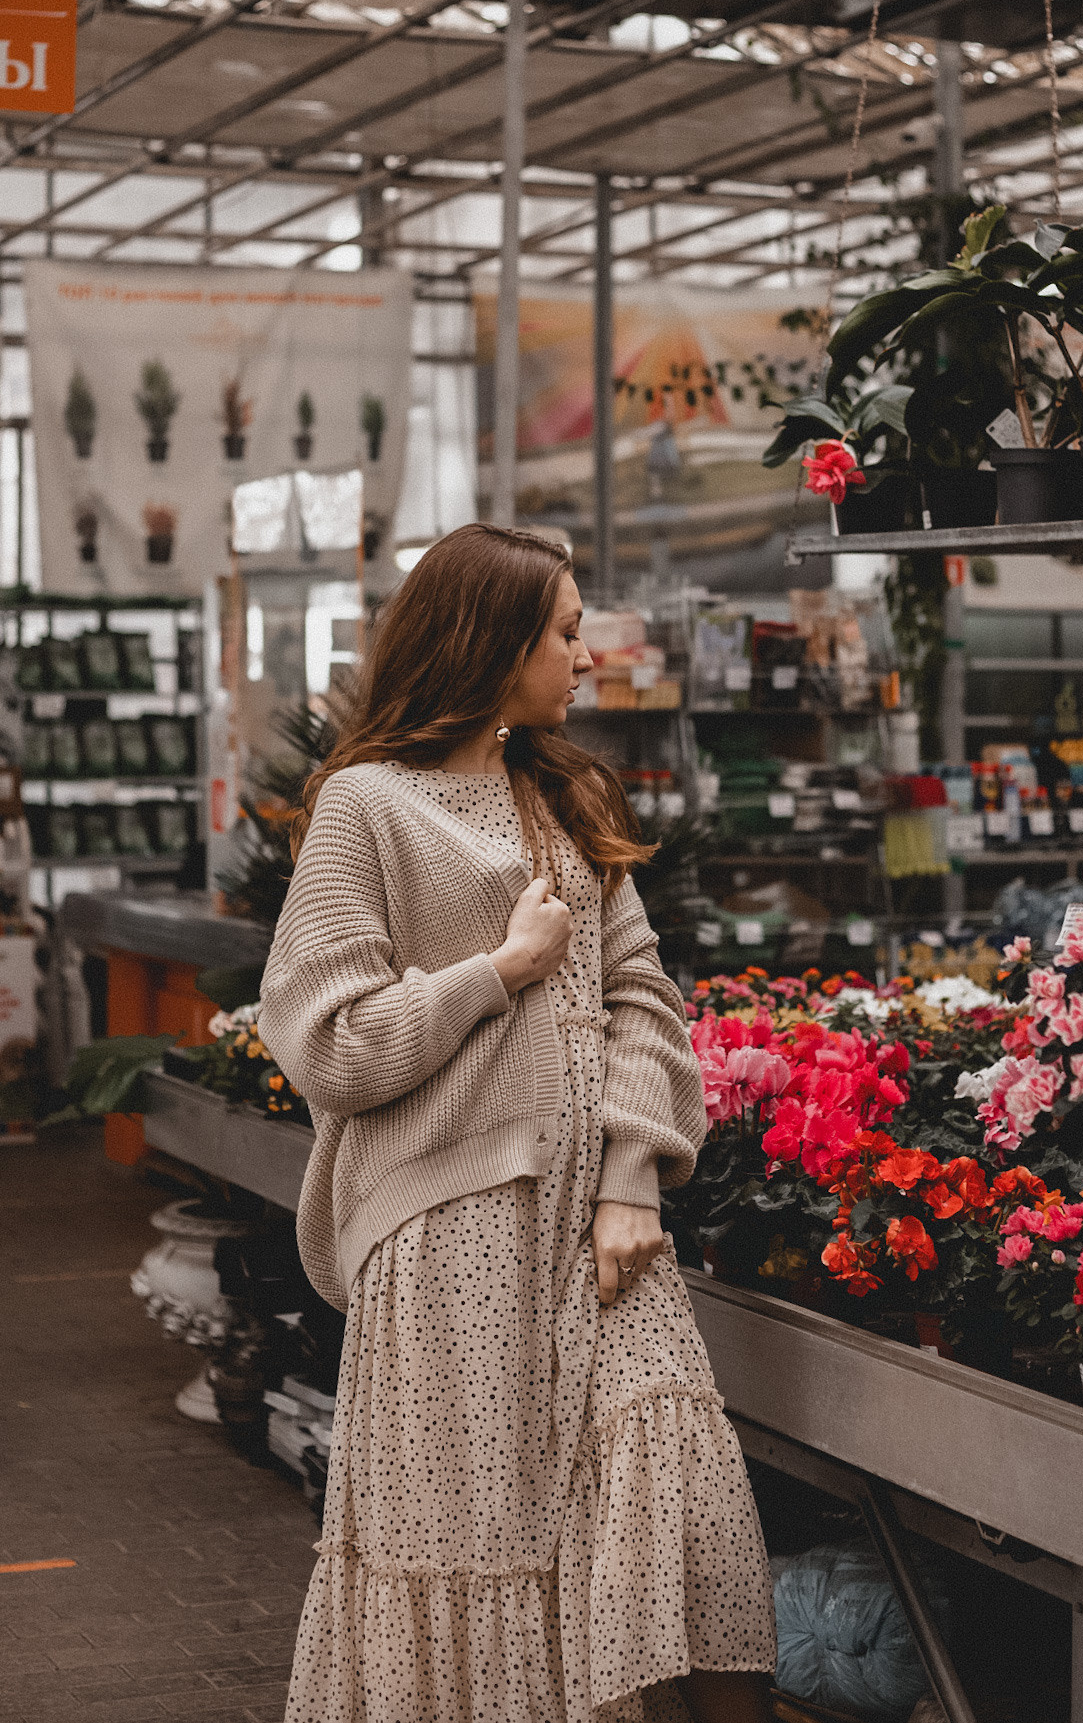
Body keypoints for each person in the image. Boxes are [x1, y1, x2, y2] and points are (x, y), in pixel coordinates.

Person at [258, 522, 777, 1723]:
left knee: (689, 1508)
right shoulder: (365, 808)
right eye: (563, 628)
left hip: (602, 1238)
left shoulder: (560, 796)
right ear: (490, 642)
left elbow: (643, 997)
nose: (584, 654)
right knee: (483, 1547)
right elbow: (326, 1043)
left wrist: (630, 1175)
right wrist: (498, 970)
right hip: (449, 1242)